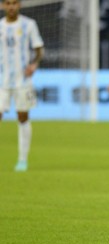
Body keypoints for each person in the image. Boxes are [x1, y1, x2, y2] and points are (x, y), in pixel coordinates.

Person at [0, 0, 44, 172]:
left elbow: (39, 48)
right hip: (2, 80)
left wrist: (34, 64)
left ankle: (22, 160)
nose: (11, 6)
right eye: (8, 3)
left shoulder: (29, 24)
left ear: (19, 5)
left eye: (15, 3)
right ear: (3, 5)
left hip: (22, 81)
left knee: (22, 117)